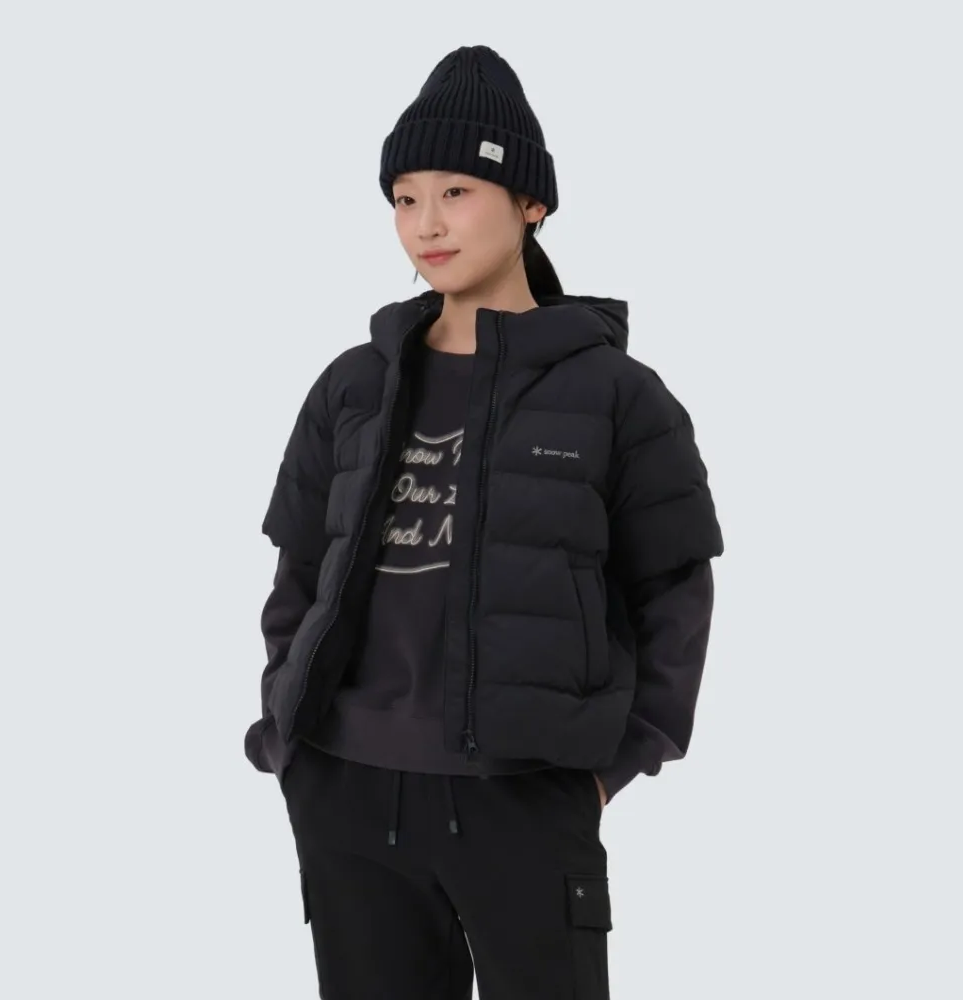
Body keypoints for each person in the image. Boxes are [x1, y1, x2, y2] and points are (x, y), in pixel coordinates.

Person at [244, 44, 724, 1000]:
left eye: (456, 192)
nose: (426, 224)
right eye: (405, 198)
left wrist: (606, 769)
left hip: (524, 797)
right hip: (346, 788)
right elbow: (298, 568)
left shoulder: (617, 395)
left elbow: (675, 591)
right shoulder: (354, 385)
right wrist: (291, 734)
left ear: (530, 202)